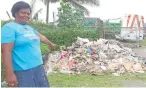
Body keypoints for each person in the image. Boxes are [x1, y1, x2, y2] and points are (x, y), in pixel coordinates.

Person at [1, 1, 56, 87]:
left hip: (38, 67)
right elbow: (6, 52)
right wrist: (9, 74)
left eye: (28, 13)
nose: (26, 15)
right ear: (15, 13)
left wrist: (51, 44)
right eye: (23, 13)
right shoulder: (9, 28)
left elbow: (42, 37)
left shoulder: (29, 28)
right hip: (23, 71)